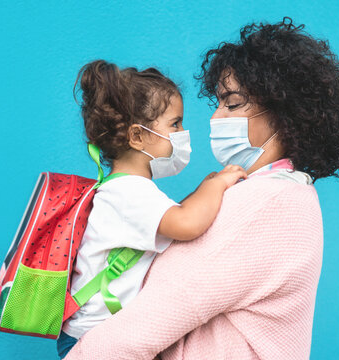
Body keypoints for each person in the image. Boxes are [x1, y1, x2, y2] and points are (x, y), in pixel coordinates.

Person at [63, 17, 339, 359]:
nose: (216, 118)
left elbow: (145, 323)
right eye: (218, 103)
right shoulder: (289, 194)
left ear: (284, 113)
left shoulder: (266, 203)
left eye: (232, 103)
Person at [57, 60, 248, 358]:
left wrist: (203, 189)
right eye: (175, 124)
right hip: (95, 339)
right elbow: (186, 224)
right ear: (137, 136)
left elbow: (174, 217)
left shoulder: (122, 189)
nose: (182, 132)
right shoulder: (130, 193)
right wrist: (217, 186)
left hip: (89, 333)